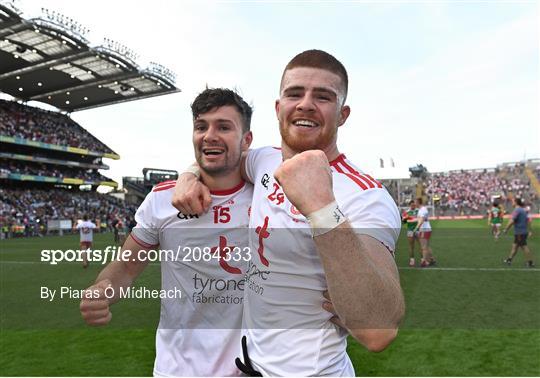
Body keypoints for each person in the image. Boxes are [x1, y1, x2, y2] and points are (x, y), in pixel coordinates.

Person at [172, 50, 405, 376]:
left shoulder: (366, 196)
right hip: (251, 365)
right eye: (295, 93)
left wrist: (321, 207)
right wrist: (188, 175)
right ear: (278, 107)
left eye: (323, 97)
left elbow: (379, 329)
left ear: (342, 114)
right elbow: (218, 157)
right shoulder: (262, 160)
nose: (306, 104)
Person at [80, 88, 254, 376]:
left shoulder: (269, 198)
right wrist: (101, 291)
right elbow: (125, 266)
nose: (209, 135)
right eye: (201, 126)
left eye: (224, 126)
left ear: (246, 140)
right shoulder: (161, 200)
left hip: (251, 369)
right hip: (177, 369)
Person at [503, 197, 534, 267]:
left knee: (524, 247)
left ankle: (530, 262)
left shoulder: (517, 210)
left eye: (513, 202)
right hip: (522, 232)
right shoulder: (523, 210)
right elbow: (528, 221)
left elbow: (512, 221)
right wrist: (530, 230)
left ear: (516, 202)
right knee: (514, 247)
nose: (512, 203)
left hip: (520, 232)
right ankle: (509, 260)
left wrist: (506, 229)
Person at [413, 198, 436, 267]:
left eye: (415, 202)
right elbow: (420, 219)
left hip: (424, 230)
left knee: (423, 247)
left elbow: (421, 220)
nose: (414, 204)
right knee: (426, 246)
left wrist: (416, 229)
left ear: (418, 202)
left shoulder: (422, 210)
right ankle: (432, 259)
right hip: (426, 229)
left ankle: (424, 262)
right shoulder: (422, 209)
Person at [402, 200, 419, 266]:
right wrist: (405, 219)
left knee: (421, 245)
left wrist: (411, 218)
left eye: (414, 205)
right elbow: (403, 222)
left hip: (418, 230)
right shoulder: (407, 212)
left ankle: (423, 259)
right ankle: (412, 260)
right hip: (410, 231)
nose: (413, 206)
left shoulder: (418, 211)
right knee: (411, 246)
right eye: (412, 205)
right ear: (410, 205)